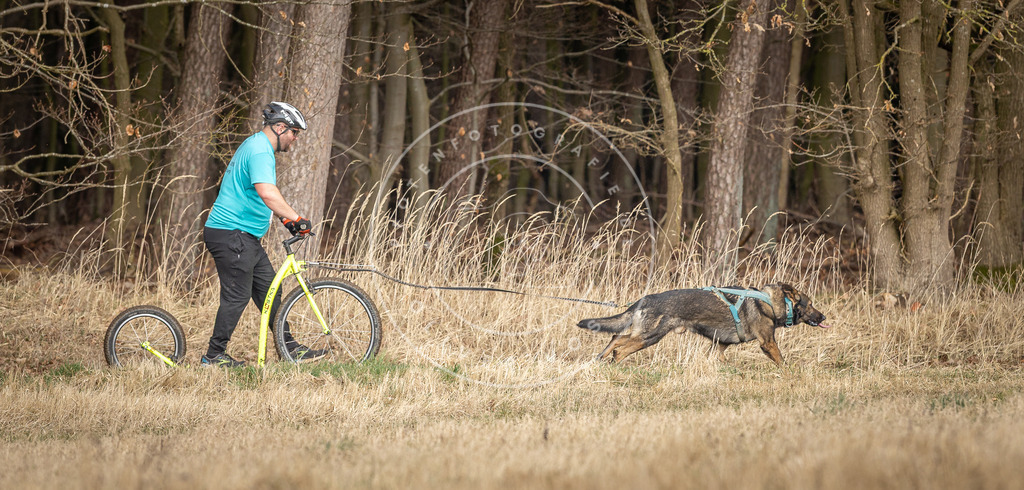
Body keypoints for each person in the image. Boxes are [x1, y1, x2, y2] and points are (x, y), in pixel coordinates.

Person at [201, 101, 324, 367]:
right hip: (231, 234)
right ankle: (214, 356)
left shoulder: (255, 144)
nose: (295, 139)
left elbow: (256, 193)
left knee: (270, 288)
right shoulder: (260, 151)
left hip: (242, 236)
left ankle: (289, 347)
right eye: (294, 132)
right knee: (237, 296)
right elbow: (268, 192)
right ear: (280, 127)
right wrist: (297, 219)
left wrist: (284, 219)